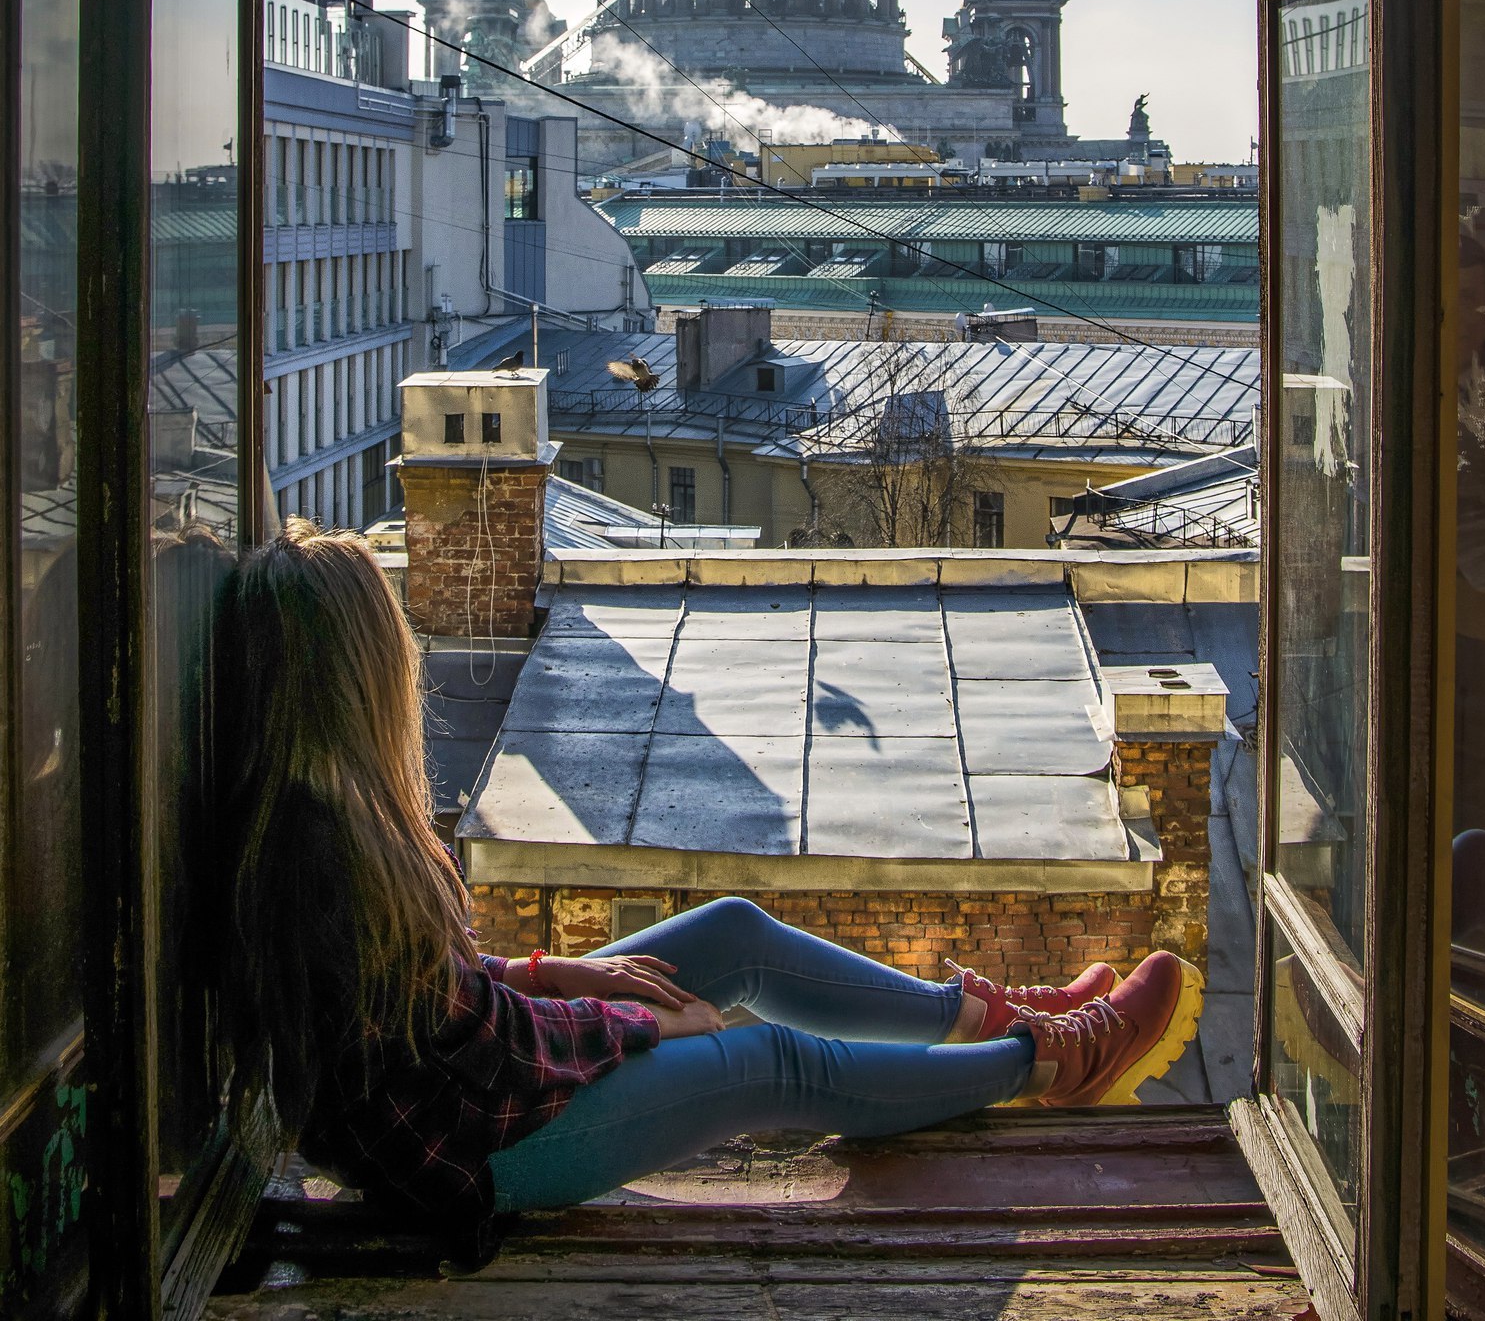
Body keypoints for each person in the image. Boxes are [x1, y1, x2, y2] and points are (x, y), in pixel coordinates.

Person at [214, 522, 1204, 1263]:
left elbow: (430, 1005)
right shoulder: (321, 858)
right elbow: (485, 1051)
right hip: (475, 1159)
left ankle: (969, 1014)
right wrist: (638, 1027)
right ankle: (1038, 1063)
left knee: (730, 934)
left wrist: (544, 968)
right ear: (360, 675)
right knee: (764, 1061)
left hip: (467, 1097)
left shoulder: (315, 813)